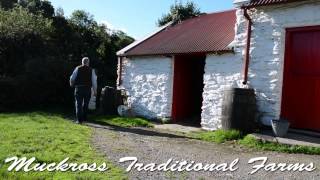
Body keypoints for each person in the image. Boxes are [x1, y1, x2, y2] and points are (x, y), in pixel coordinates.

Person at [70, 57, 97, 124]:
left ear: (82, 62)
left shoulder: (78, 68)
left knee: (78, 104)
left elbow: (72, 78)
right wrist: (95, 91)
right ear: (88, 62)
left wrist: (71, 84)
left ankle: (79, 120)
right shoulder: (92, 70)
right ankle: (85, 118)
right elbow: (94, 81)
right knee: (86, 104)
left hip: (79, 88)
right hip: (87, 89)